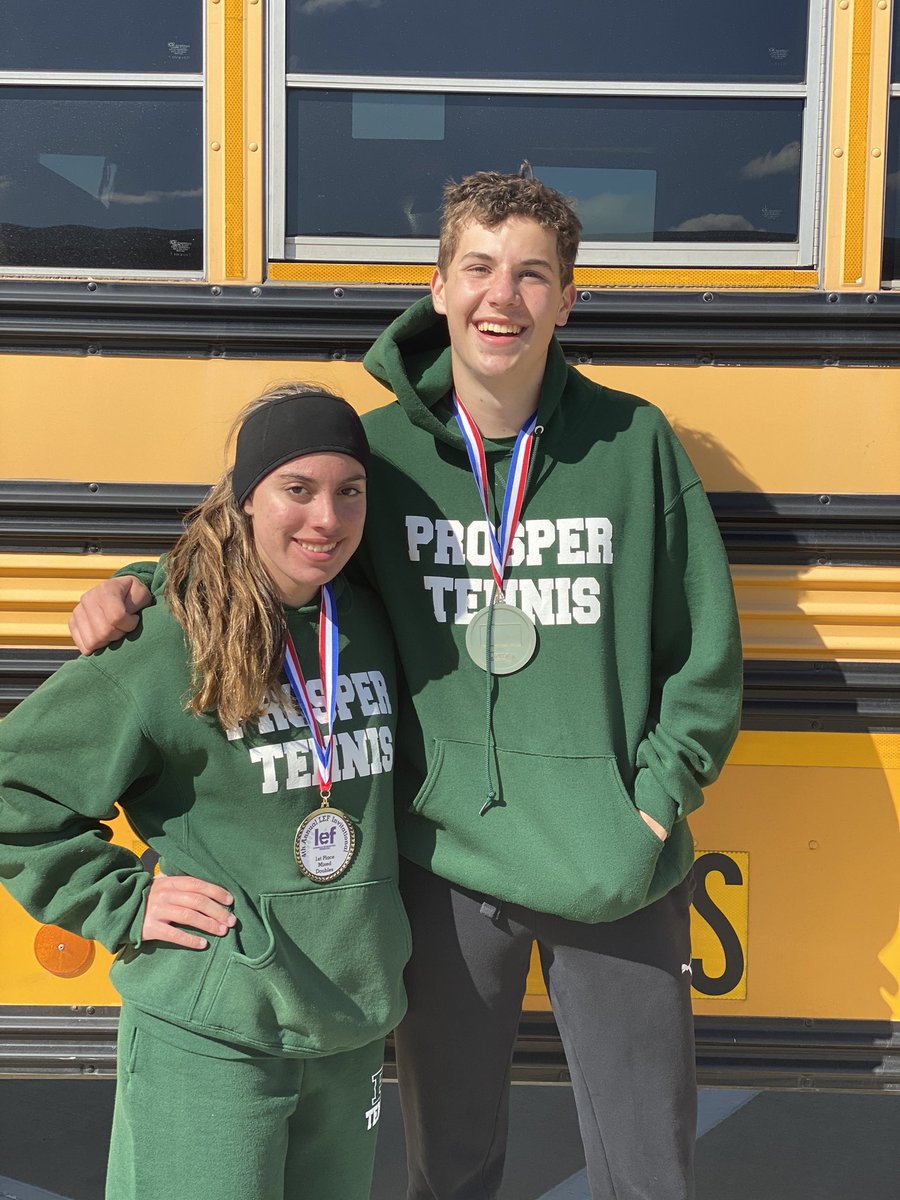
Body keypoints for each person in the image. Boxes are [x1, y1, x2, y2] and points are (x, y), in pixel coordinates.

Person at [69, 172, 743, 1200]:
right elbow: (275, 554)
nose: (501, 297)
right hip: (443, 863)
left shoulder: (635, 445)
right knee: (452, 1167)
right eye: (478, 268)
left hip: (616, 868)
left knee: (650, 1170)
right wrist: (139, 589)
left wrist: (650, 813)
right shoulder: (377, 454)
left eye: (532, 274)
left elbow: (705, 656)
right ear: (437, 286)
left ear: (568, 299)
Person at [0, 385, 410, 1200]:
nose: (326, 518)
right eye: (298, 489)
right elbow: (17, 789)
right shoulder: (165, 641)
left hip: (348, 1026)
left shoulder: (370, 619)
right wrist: (119, 901)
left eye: (348, 491)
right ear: (247, 498)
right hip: (215, 1031)